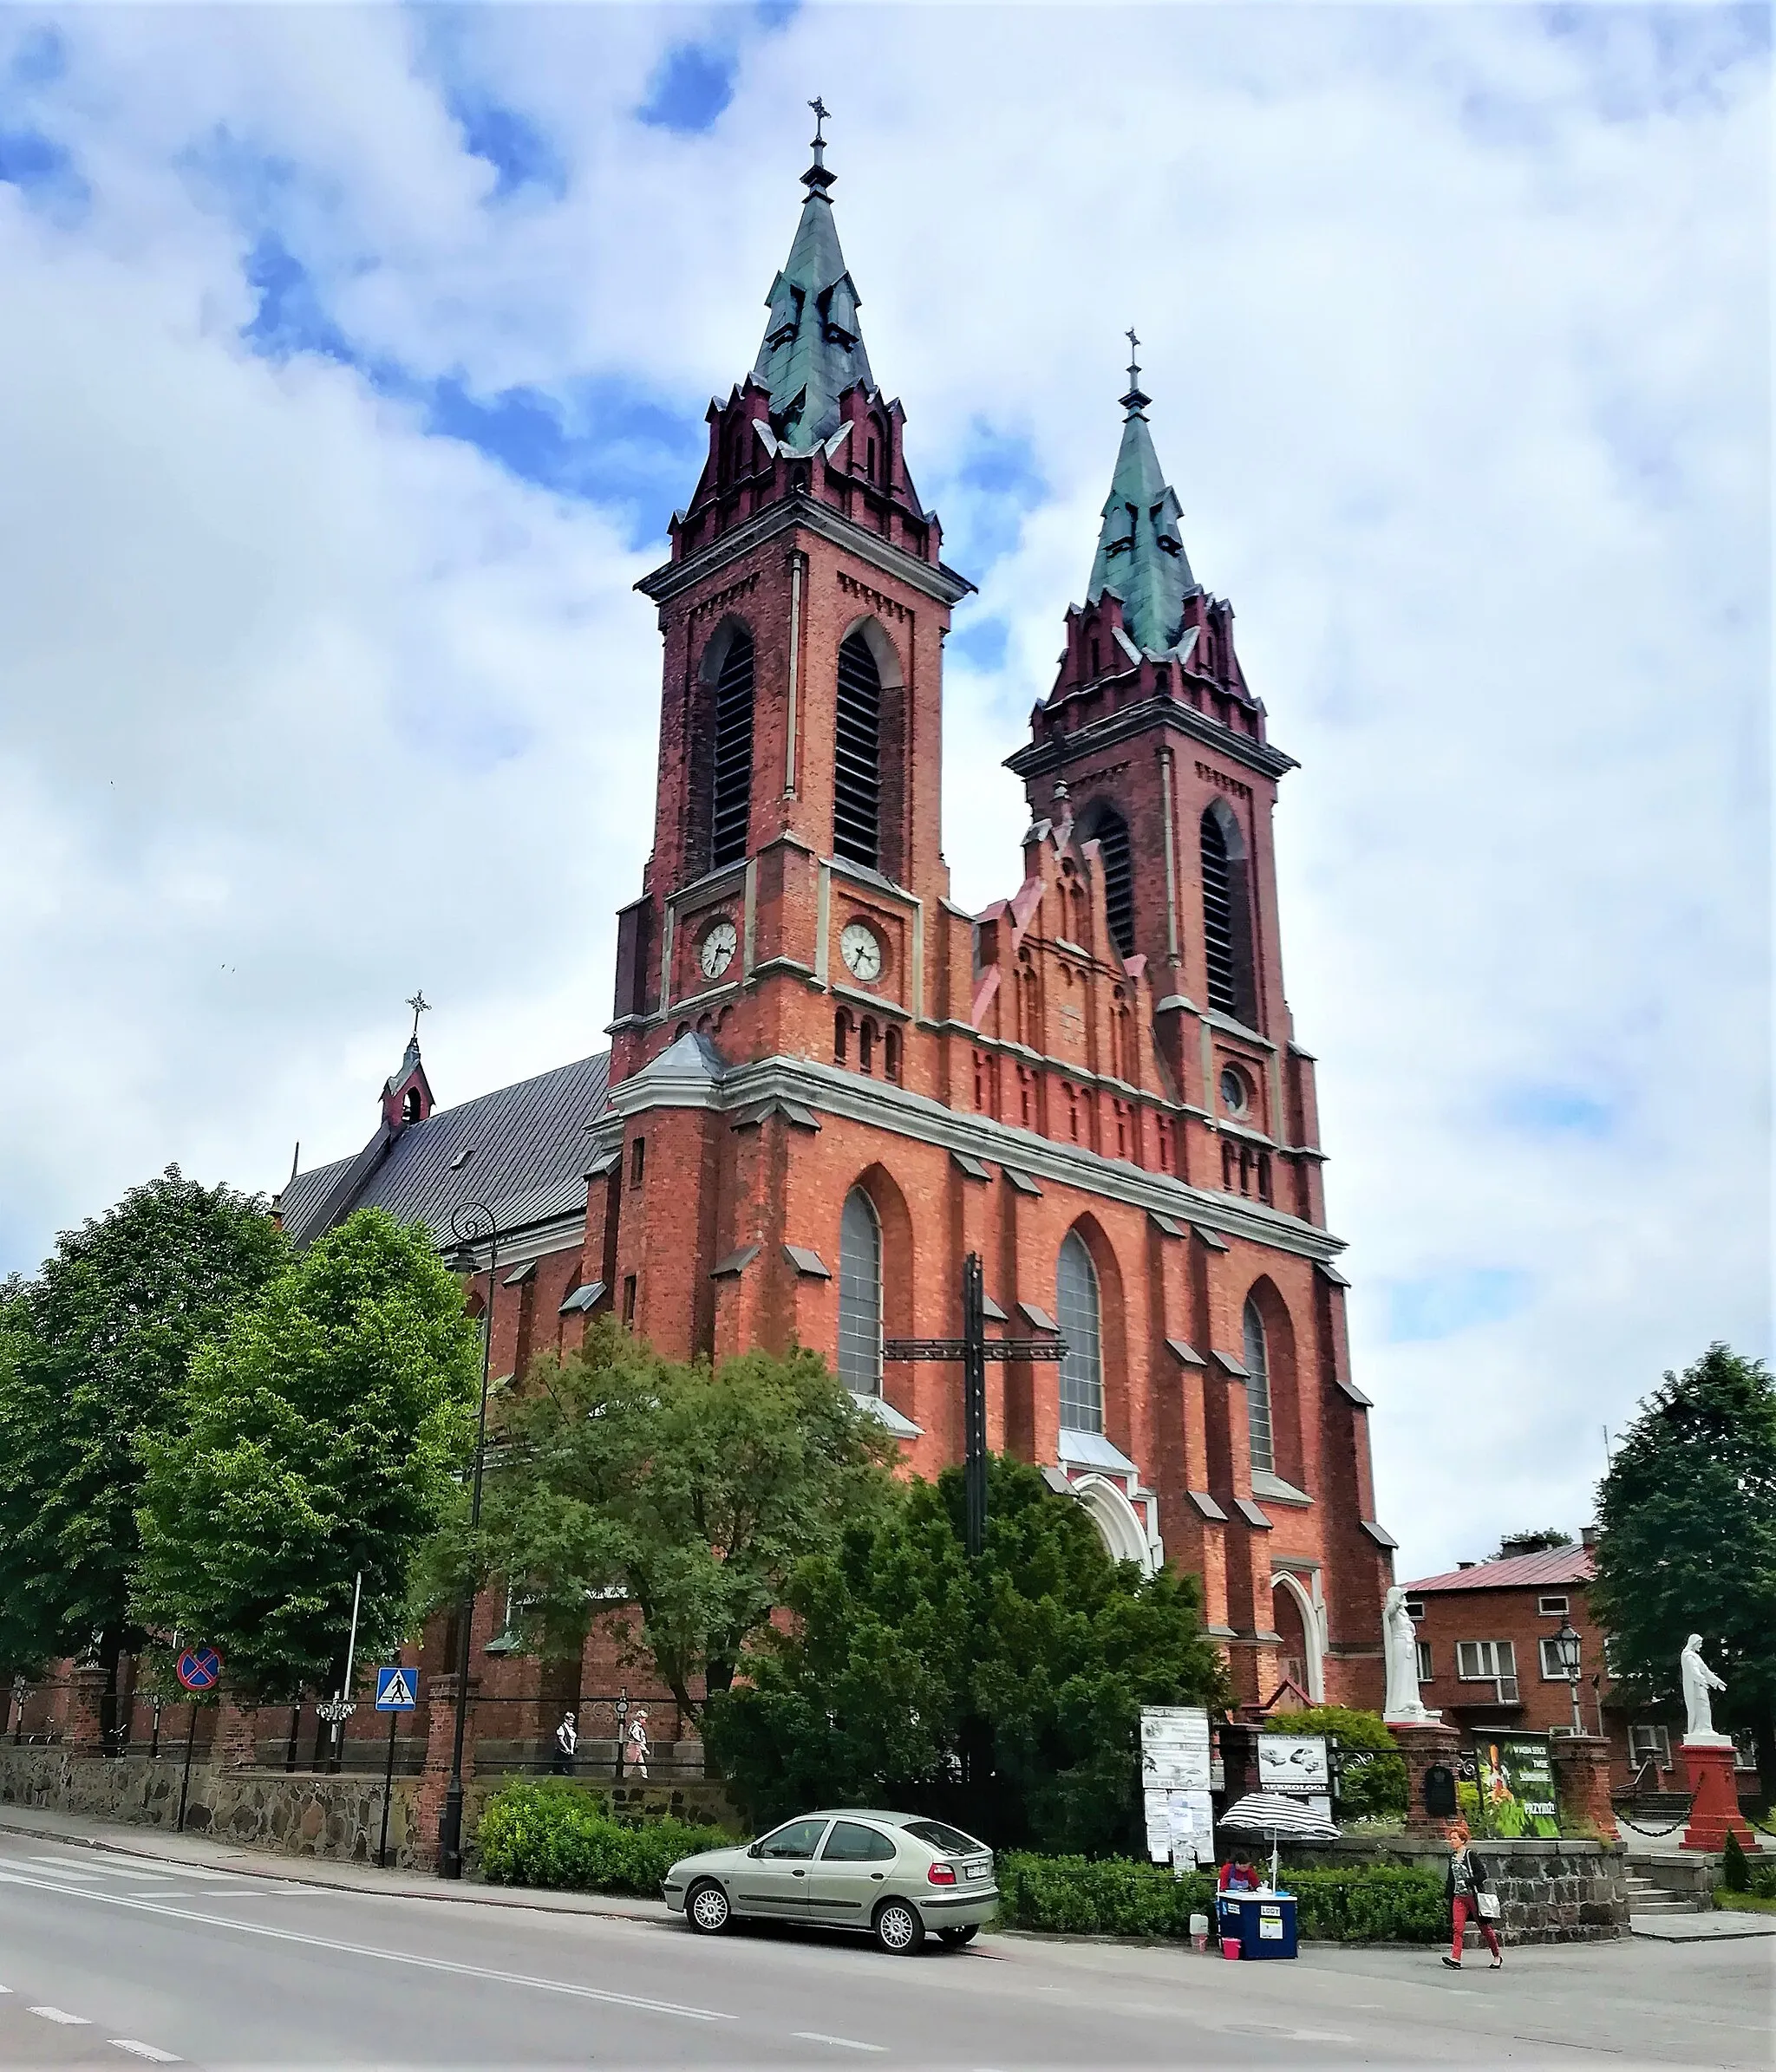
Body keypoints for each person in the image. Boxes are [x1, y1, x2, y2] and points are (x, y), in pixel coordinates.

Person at [1443, 1821, 1502, 1970]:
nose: (1452, 1841)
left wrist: (1468, 1881)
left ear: (1462, 1840)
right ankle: (1455, 1958)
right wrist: (1448, 1893)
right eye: (1451, 1838)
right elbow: (1451, 1878)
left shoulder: (1470, 1856)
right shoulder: (1452, 1858)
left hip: (1473, 1897)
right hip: (1458, 1897)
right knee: (1458, 1928)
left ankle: (1496, 1955)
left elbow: (1483, 1874)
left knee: (1484, 1928)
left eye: (1455, 1838)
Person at [552, 1709, 578, 1776]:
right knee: (564, 1765)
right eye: (571, 1720)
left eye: (573, 1720)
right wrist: (566, 1749)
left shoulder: (571, 1728)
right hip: (564, 1751)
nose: (572, 1722)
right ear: (566, 1719)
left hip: (570, 1750)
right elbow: (561, 1740)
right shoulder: (562, 1728)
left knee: (569, 1765)